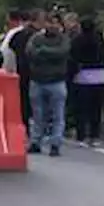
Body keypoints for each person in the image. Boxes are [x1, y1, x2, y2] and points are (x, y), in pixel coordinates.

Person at [26, 12, 71, 156]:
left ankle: (55, 143)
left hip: (57, 81)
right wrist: (48, 54)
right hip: (37, 80)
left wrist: (43, 52)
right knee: (38, 114)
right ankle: (35, 142)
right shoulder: (36, 38)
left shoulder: (64, 39)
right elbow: (29, 51)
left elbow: (62, 52)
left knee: (58, 114)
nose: (52, 26)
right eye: (49, 22)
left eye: (55, 23)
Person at [70, 18, 104, 147]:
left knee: (81, 108)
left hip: (82, 76)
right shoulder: (99, 39)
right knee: (96, 108)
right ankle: (94, 135)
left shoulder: (77, 40)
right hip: (99, 76)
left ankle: (81, 135)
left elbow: (72, 57)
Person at [1, 10, 33, 129]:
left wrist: (6, 71)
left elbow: (7, 54)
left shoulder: (14, 34)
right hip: (28, 72)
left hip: (16, 73)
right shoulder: (26, 33)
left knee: (21, 102)